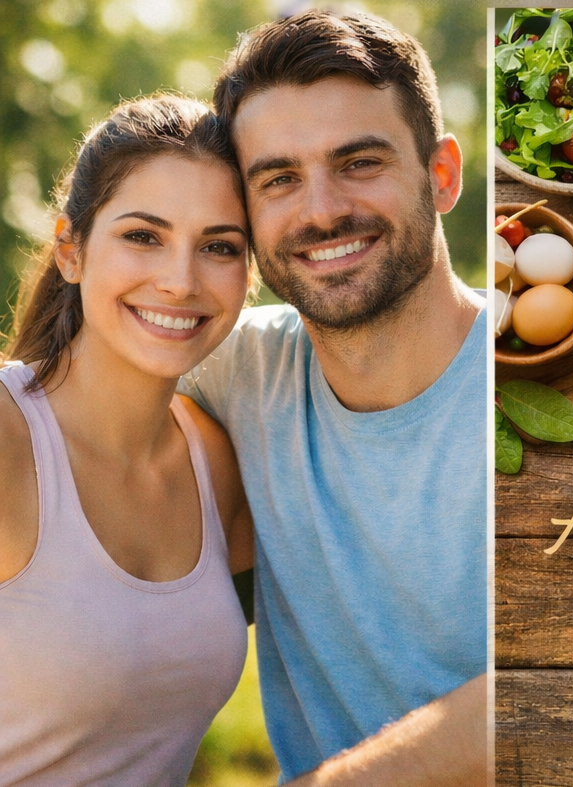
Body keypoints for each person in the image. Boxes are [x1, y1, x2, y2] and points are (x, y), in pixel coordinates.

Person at [178, 10, 488, 785]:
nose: (320, 210)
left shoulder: (557, 368)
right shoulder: (238, 368)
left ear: (441, 175)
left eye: (359, 162)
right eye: (278, 179)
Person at [0, 95, 255, 785]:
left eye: (220, 246)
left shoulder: (216, 462)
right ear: (71, 249)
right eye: (144, 235)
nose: (180, 280)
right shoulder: (8, 439)